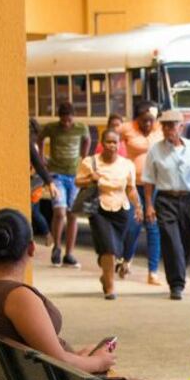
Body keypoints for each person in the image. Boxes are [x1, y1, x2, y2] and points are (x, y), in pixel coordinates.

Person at [0, 208, 169, 380]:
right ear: (31, 248)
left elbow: (46, 353)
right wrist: (97, 362)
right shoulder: (18, 297)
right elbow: (60, 362)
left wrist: (80, 356)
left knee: (98, 355)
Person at [142, 110, 190, 300]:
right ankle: (176, 285)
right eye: (164, 125)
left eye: (172, 125)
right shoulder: (156, 150)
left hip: (189, 199)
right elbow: (148, 179)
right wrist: (148, 205)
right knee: (172, 242)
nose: (167, 129)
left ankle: (179, 267)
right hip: (166, 200)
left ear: (181, 127)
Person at [75, 128, 142, 300]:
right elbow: (78, 181)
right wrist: (91, 178)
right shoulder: (91, 162)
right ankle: (110, 287)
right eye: (108, 142)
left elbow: (131, 189)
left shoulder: (127, 164)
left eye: (115, 142)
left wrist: (138, 206)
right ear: (101, 144)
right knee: (108, 248)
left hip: (121, 210)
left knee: (116, 249)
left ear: (119, 144)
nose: (112, 145)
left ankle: (106, 276)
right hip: (99, 209)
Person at [37, 101, 90, 268]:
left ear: (73, 117)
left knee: (72, 214)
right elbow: (40, 138)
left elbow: (87, 139)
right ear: (60, 118)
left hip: (74, 175)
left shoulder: (81, 127)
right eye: (63, 120)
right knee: (59, 211)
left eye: (69, 120)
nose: (66, 124)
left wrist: (84, 157)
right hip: (56, 174)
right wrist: (40, 156)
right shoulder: (52, 128)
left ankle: (69, 253)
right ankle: (57, 247)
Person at [119, 102, 162, 285]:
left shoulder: (159, 130)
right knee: (133, 225)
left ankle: (153, 272)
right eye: (144, 121)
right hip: (133, 186)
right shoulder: (127, 129)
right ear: (138, 119)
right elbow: (112, 143)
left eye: (151, 120)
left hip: (153, 186)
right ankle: (126, 259)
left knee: (153, 227)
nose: (147, 124)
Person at [29, 118, 56, 241]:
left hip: (34, 182)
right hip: (36, 181)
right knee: (34, 211)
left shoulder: (31, 143)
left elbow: (38, 163)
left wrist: (49, 181)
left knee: (34, 211)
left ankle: (46, 234)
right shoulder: (34, 142)